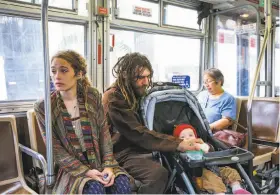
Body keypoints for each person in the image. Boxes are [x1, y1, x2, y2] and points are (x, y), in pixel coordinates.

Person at [102, 52, 204, 194]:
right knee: (158, 174)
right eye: (140, 77)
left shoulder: (139, 93)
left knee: (176, 161)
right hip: (122, 151)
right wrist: (177, 143)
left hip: (140, 147)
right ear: (126, 76)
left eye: (148, 76)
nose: (145, 82)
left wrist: (187, 141)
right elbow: (136, 132)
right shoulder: (114, 97)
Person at [34, 50, 131, 194]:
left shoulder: (92, 96)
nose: (57, 76)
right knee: (94, 188)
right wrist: (86, 172)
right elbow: (55, 149)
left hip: (97, 159)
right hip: (70, 168)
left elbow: (104, 135)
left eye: (64, 70)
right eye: (53, 71)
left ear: (78, 73)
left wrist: (109, 166)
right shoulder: (44, 107)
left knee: (122, 184)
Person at [173, 124, 251, 195]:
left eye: (190, 135)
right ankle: (220, 193)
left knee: (230, 171)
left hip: (214, 168)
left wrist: (206, 148)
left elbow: (211, 151)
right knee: (212, 179)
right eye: (182, 137)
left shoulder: (202, 144)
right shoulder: (182, 151)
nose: (187, 138)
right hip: (199, 173)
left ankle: (237, 189)